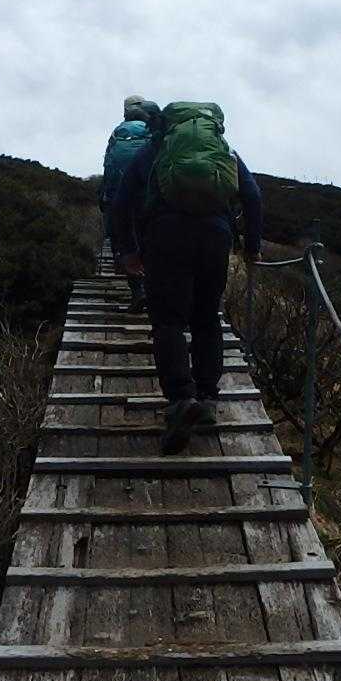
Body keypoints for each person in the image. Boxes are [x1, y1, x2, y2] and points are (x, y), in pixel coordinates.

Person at [110, 101, 263, 454]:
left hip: (165, 236)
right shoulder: (224, 151)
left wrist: (128, 251)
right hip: (215, 236)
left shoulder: (154, 150)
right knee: (207, 318)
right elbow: (253, 196)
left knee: (168, 321)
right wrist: (252, 247)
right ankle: (207, 398)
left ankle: (181, 399)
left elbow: (121, 202)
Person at [101, 96, 157, 312]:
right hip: (148, 198)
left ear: (126, 112)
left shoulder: (117, 134)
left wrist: (105, 197)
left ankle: (137, 291)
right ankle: (152, 291)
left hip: (120, 198)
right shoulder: (153, 133)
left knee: (126, 242)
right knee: (149, 241)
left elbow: (108, 168)